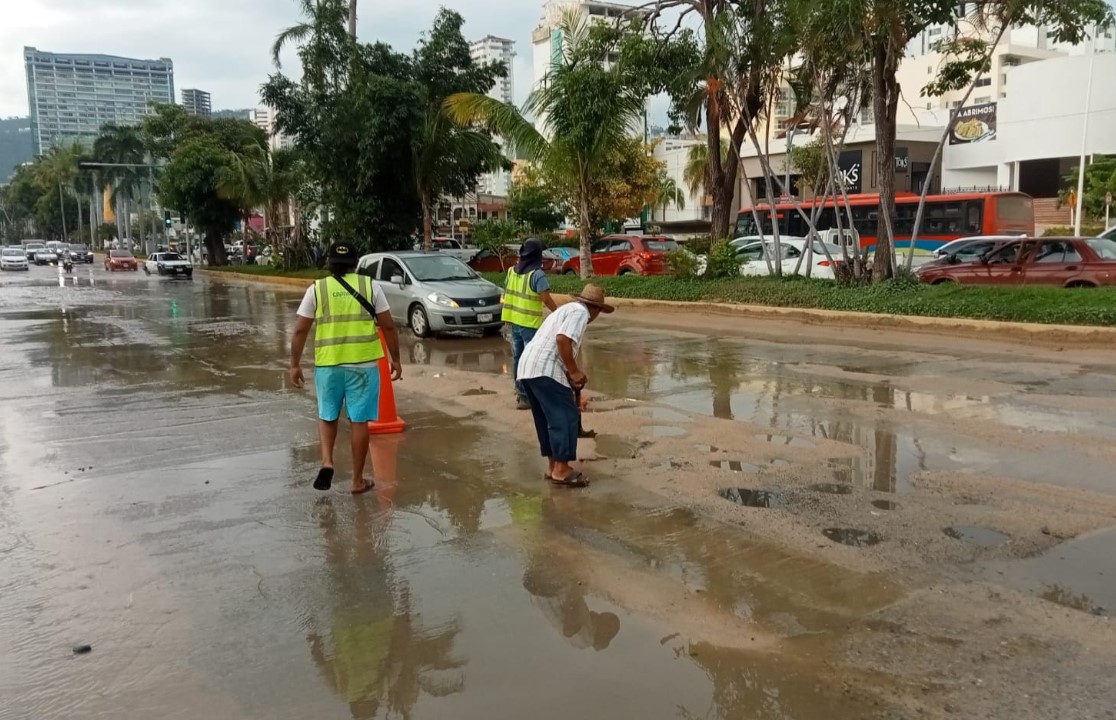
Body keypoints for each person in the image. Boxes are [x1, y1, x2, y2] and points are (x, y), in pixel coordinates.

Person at [289, 241, 403, 494]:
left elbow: (300, 330)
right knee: (359, 422)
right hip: (363, 366)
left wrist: (294, 364)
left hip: (329, 365)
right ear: (355, 262)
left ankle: (328, 461)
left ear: (328, 262)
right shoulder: (369, 286)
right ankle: (357, 481)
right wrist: (395, 359)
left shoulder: (317, 289)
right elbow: (388, 325)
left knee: (328, 415)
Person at [518, 284, 613, 487]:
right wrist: (573, 371)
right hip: (545, 367)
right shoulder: (580, 312)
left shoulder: (565, 310)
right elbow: (563, 340)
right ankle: (561, 469)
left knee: (546, 419)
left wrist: (570, 374)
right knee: (565, 416)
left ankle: (553, 467)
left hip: (528, 367)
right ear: (595, 309)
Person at [502, 238, 558, 410]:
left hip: (514, 322)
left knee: (519, 359)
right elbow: (546, 298)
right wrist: (559, 314)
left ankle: (522, 396)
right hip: (530, 325)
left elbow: (507, 293)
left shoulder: (512, 271)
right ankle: (534, 397)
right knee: (532, 361)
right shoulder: (537, 274)